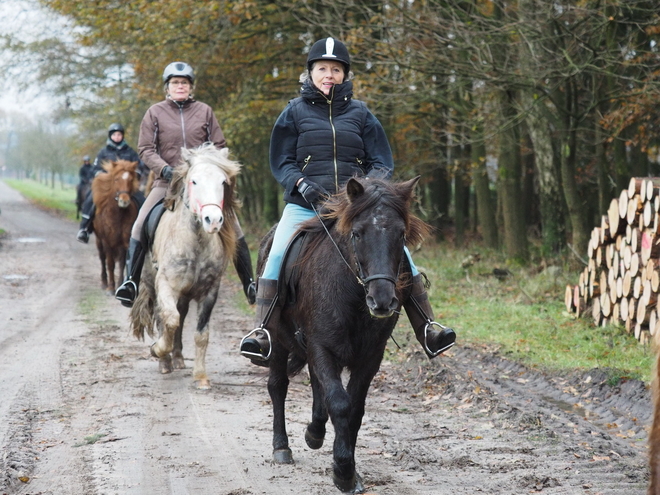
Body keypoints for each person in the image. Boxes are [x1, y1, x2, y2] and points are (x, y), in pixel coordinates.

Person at [239, 37, 456, 364]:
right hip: (305, 204)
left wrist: (370, 187)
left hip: (355, 208)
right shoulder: (293, 112)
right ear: (310, 72)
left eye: (336, 69)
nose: (329, 75)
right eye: (323, 68)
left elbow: (382, 161)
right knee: (277, 255)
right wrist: (301, 183)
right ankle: (263, 332)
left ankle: (428, 327)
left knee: (403, 255)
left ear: (344, 74)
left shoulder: (361, 113)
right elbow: (281, 161)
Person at [114, 61, 256, 308]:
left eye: (184, 83)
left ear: (191, 88)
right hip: (167, 182)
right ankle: (131, 282)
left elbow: (219, 145)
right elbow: (145, 149)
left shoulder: (205, 111)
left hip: (203, 183)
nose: (180, 86)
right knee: (139, 225)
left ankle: (250, 284)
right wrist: (165, 169)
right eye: (175, 83)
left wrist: (209, 167)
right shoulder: (154, 112)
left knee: (235, 226)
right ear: (167, 88)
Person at [76, 124, 145, 243]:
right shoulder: (104, 152)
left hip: (126, 186)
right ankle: (84, 229)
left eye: (119, 134)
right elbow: (95, 168)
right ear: (110, 136)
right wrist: (103, 175)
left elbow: (139, 167)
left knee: (142, 201)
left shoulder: (130, 151)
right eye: (114, 135)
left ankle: (144, 231)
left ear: (122, 136)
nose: (117, 137)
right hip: (108, 187)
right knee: (90, 199)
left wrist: (133, 175)